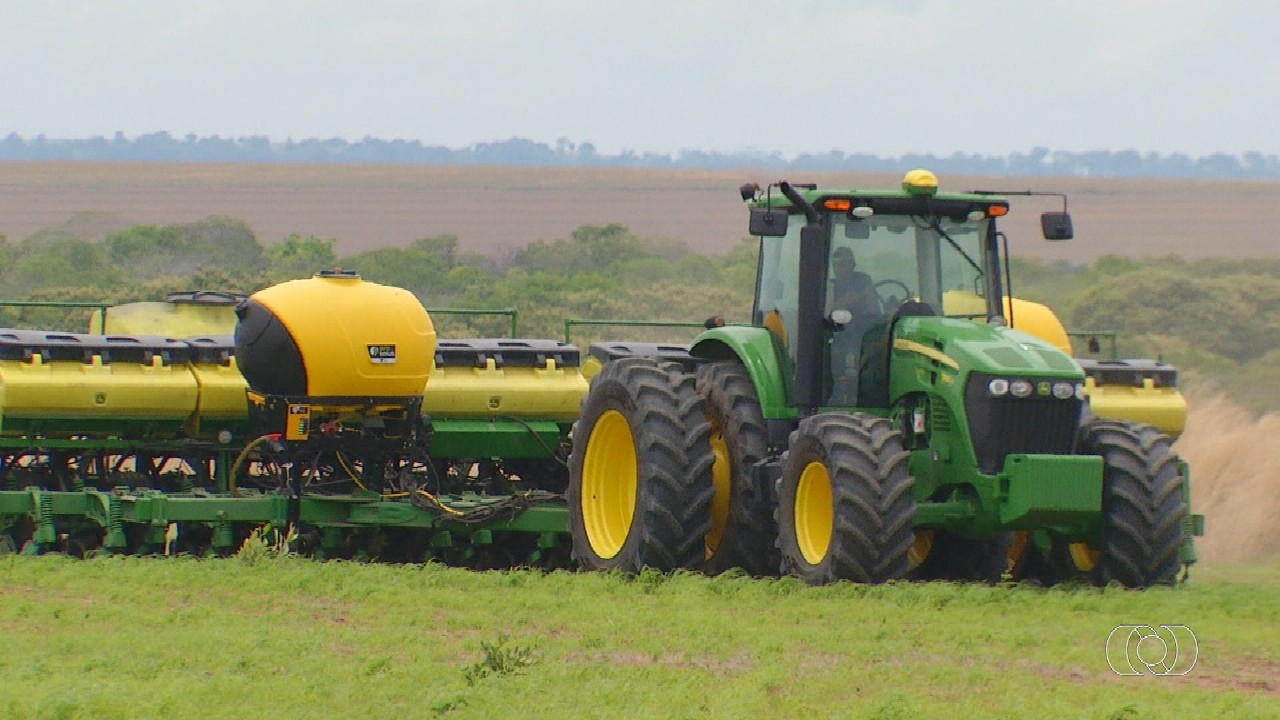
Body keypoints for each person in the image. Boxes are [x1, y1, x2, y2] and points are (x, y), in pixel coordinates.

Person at [829, 246, 879, 317]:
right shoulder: (830, 286)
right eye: (834, 265)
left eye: (842, 265)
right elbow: (827, 313)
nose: (837, 270)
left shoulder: (864, 280)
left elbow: (873, 309)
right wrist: (842, 303)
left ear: (852, 265)